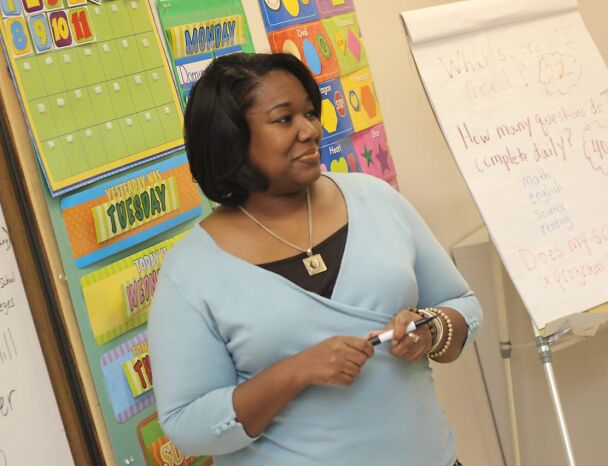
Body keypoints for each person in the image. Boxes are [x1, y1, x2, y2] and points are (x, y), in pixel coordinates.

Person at [148, 52, 482, 466]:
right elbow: (188, 425)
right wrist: (296, 372)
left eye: (310, 112)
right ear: (230, 137)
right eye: (285, 119)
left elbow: (462, 305)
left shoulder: (375, 200)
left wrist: (430, 329)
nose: (310, 130)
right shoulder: (192, 271)